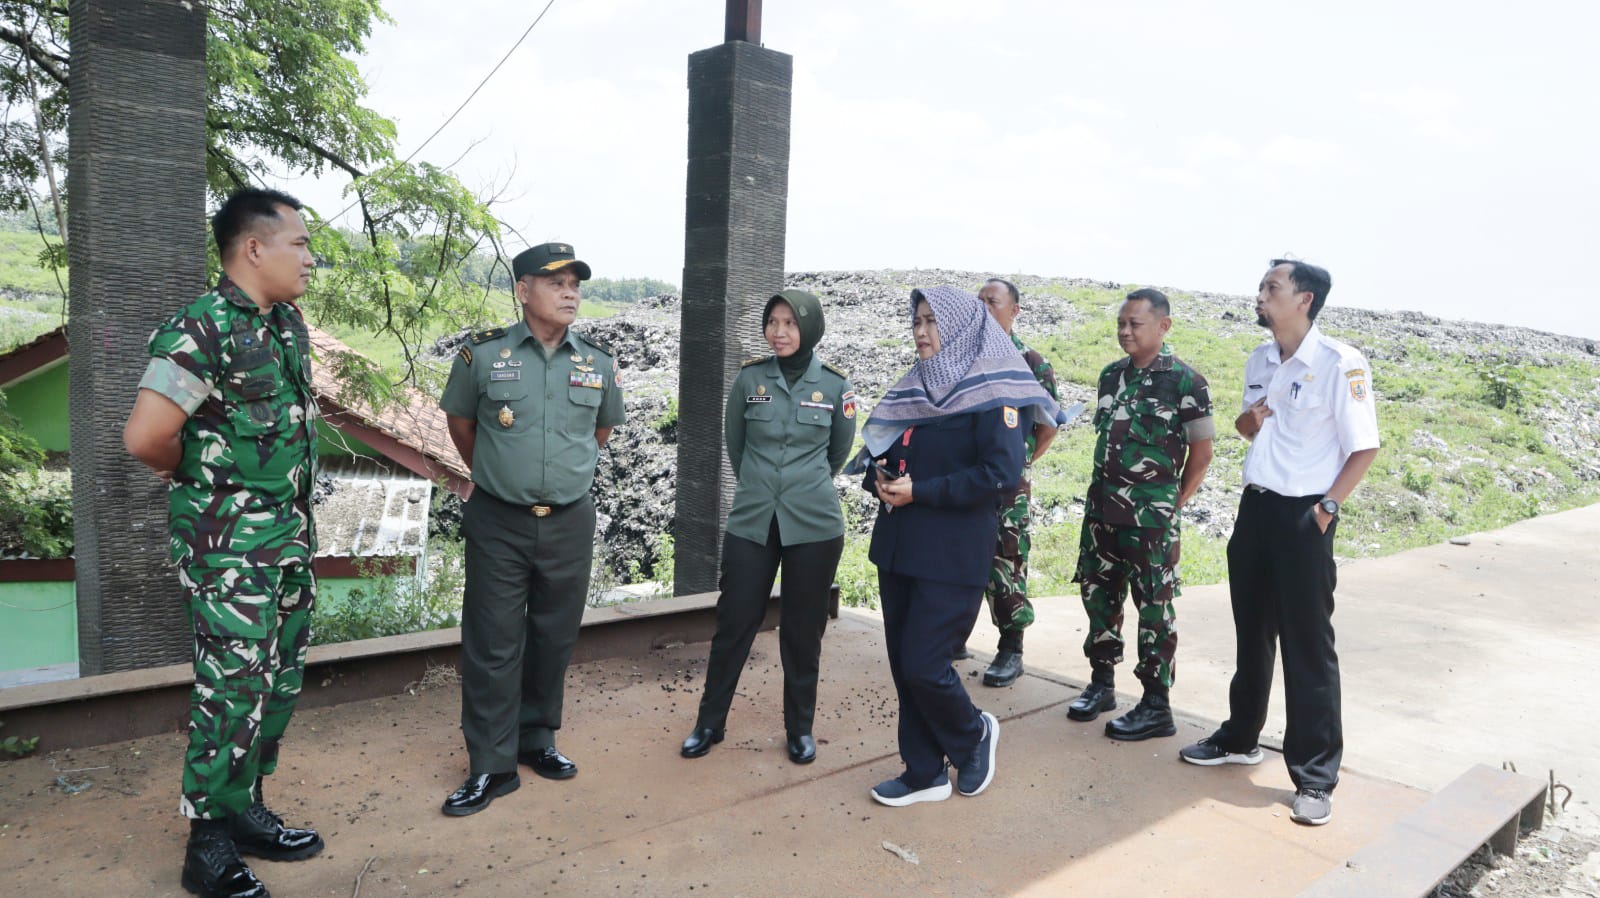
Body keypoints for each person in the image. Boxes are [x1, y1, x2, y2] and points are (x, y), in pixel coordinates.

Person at [124, 187, 324, 898]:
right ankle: (206, 849)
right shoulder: (199, 327)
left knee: (280, 678)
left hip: (287, 539)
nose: (309, 257)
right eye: (299, 243)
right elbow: (146, 437)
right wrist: (215, 487)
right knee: (231, 687)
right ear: (254, 247)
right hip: (227, 550)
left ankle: (244, 809)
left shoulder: (285, 326)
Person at [1179, 260, 1379, 828]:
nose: (1261, 295)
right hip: (1256, 509)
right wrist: (1247, 420)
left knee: (1307, 646)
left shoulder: (1341, 363)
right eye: (1262, 287)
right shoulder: (1261, 359)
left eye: (1272, 288)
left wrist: (1327, 508)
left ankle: (1315, 777)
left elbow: (1364, 445)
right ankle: (1242, 736)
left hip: (1305, 514)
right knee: (1252, 632)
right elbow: (1249, 428)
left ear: (1304, 299)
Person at [437, 242, 625, 816]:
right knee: (493, 641)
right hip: (499, 519)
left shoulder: (597, 361)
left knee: (554, 635)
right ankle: (491, 766)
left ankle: (537, 738)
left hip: (569, 519)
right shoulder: (483, 357)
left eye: (575, 283)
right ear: (523, 291)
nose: (570, 292)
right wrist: (504, 477)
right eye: (555, 282)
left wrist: (557, 481)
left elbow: (600, 433)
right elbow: (461, 426)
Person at [861, 285, 1059, 807]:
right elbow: (888, 452)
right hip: (899, 545)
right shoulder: (916, 386)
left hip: (951, 552)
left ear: (962, 327)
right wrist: (879, 479)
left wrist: (920, 490)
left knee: (926, 663)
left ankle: (973, 735)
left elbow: (1000, 473)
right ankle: (923, 770)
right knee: (906, 666)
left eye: (932, 321)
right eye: (917, 322)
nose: (922, 332)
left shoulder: (995, 392)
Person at [680, 289, 858, 765]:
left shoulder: (837, 388)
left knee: (803, 632)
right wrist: (765, 486)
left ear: (809, 328)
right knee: (734, 621)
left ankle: (799, 728)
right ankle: (709, 723)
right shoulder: (749, 380)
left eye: (789, 323)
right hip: (754, 519)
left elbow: (837, 454)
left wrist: (798, 484)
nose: (779, 332)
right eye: (772, 322)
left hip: (814, 525)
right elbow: (735, 446)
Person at [1066, 288, 1214, 741]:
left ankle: (1155, 704)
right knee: (1099, 598)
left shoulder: (1188, 382)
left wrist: (1172, 505)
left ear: (1163, 327)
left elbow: (1202, 454)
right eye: (1121, 324)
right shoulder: (1111, 376)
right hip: (1102, 514)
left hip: (1151, 522)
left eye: (1135, 324)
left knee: (1154, 610)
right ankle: (1101, 684)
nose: (1125, 331)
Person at [962, 277, 1061, 687]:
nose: (984, 306)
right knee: (959, 555)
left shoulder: (1032, 363)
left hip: (1007, 486)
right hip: (964, 476)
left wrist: (1019, 462)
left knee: (1006, 560)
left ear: (1014, 310)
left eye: (993, 301)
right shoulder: (962, 356)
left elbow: (1048, 425)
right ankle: (953, 635)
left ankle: (1011, 648)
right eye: (980, 300)